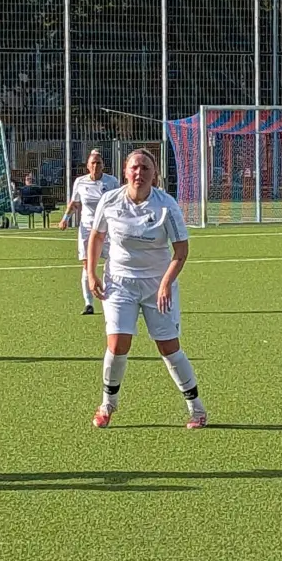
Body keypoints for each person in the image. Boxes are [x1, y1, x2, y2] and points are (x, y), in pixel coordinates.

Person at [86, 149, 205, 429]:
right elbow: (97, 236)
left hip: (157, 285)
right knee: (117, 343)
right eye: (134, 167)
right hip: (119, 283)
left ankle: (197, 409)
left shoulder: (166, 205)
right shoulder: (110, 200)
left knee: (168, 347)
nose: (139, 173)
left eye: (145, 168)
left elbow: (181, 251)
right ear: (125, 172)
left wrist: (166, 283)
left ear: (154, 174)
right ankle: (107, 405)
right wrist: (90, 273)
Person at [61, 149, 120, 315]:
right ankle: (89, 303)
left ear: (103, 165)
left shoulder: (112, 182)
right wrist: (65, 218)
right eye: (93, 163)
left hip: (107, 228)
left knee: (114, 261)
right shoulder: (80, 182)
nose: (95, 166)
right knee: (87, 264)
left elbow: (119, 203)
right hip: (87, 228)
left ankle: (115, 298)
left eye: (98, 163)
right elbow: (74, 203)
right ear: (87, 166)